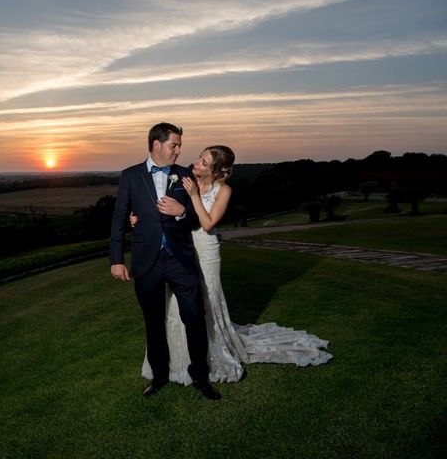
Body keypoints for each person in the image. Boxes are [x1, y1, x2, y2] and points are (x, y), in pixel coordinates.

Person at [135, 145, 332, 385]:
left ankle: (207, 356)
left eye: (204, 163)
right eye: (199, 157)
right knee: (175, 305)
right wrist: (139, 218)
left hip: (206, 251)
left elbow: (207, 224)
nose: (196, 163)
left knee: (207, 301)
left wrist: (194, 195)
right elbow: (165, 208)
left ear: (217, 171)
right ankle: (175, 361)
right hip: (181, 249)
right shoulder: (184, 178)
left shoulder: (223, 190)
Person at [110, 123, 221, 400]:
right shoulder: (130, 176)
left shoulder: (185, 175)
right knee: (153, 321)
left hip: (180, 259)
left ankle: (200, 376)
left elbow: (198, 219)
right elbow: (119, 219)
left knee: (195, 317)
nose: (179, 151)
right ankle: (160, 376)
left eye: (180, 145)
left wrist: (182, 210)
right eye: (174, 145)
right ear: (156, 144)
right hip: (146, 261)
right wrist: (116, 259)